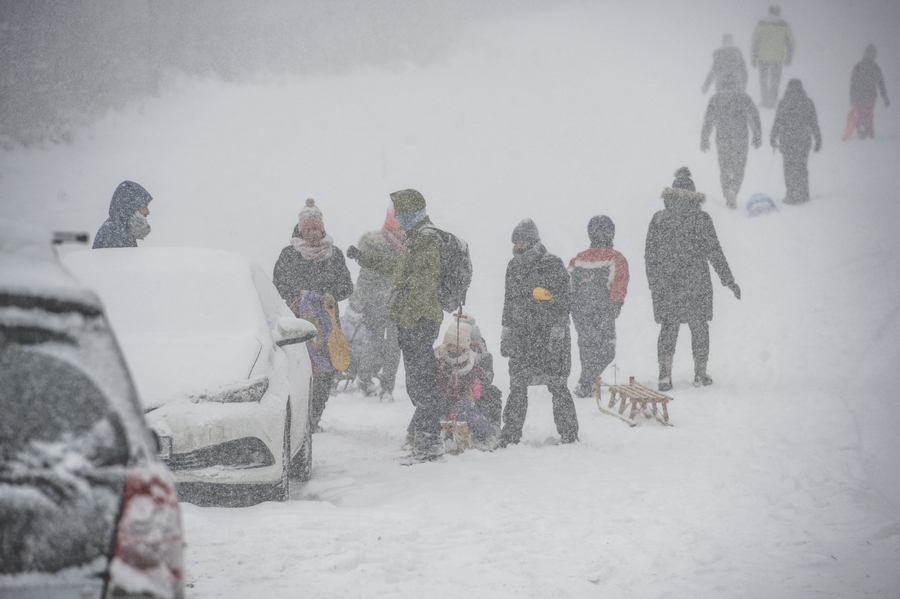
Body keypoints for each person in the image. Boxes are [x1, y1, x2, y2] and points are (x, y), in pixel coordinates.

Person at [346, 189, 445, 462]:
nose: (398, 220)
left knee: (422, 383)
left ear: (412, 214)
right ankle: (426, 441)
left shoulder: (426, 240)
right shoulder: (417, 240)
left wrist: (406, 319)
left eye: (401, 214)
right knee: (418, 383)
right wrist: (364, 258)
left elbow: (422, 285)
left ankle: (430, 445)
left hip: (419, 321)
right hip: (416, 320)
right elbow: (398, 268)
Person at [644, 168, 741, 391]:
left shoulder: (659, 219)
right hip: (696, 282)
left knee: (669, 327)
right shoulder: (701, 219)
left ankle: (664, 375)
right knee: (699, 328)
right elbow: (714, 252)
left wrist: (654, 283)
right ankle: (700, 373)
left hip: (668, 284)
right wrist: (728, 280)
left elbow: (650, 256)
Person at [273, 198, 353, 431]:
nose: (311, 233)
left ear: (322, 228)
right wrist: (296, 295)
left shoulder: (334, 254)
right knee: (299, 368)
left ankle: (314, 417)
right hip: (296, 322)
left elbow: (347, 286)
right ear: (300, 229)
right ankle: (299, 418)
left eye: (315, 228)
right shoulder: (288, 255)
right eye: (306, 228)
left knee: (324, 370)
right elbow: (277, 285)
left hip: (327, 324)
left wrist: (332, 294)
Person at [499, 219, 578, 446]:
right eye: (516, 242)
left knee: (558, 386)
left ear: (534, 241)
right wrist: (506, 331)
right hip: (522, 337)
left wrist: (551, 299)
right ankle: (511, 433)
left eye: (523, 241)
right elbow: (509, 302)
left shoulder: (552, 263)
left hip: (549, 336)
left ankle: (569, 434)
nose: (519, 246)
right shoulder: (512, 266)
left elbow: (567, 299)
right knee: (517, 386)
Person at [568, 215, 630, 398]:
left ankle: (586, 380)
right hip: (603, 309)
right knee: (607, 349)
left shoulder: (579, 259)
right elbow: (620, 281)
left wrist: (568, 303)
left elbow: (567, 282)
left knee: (586, 345)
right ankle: (587, 381)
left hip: (580, 310)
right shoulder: (616, 258)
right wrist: (616, 303)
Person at [351, 208, 406, 401]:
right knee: (374, 344)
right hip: (375, 306)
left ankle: (387, 388)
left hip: (397, 308)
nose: (403, 232)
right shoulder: (375, 247)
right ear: (390, 228)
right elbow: (365, 280)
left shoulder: (406, 250)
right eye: (399, 228)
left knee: (393, 347)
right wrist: (370, 300)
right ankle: (365, 379)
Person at [432, 320, 500, 449]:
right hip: (444, 396)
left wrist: (478, 383)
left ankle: (489, 432)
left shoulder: (477, 358)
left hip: (468, 397)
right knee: (429, 406)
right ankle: (416, 434)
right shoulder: (440, 359)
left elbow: (484, 376)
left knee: (483, 399)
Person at [701, 85, 762, 208]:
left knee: (724, 167)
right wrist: (757, 135)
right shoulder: (744, 97)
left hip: (723, 138)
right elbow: (754, 116)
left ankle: (727, 190)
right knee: (739, 167)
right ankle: (734, 189)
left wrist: (705, 138)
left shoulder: (716, 98)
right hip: (740, 138)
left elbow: (708, 119)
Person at [770, 79, 822, 205]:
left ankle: (791, 194)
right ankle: (803, 194)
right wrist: (818, 139)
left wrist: (773, 137)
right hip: (803, 141)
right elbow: (813, 122)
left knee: (789, 168)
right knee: (802, 167)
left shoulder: (784, 102)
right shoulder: (808, 102)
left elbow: (778, 122)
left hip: (787, 141)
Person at [751, 4, 795, 108]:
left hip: (763, 57)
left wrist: (754, 57)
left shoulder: (761, 23)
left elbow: (755, 41)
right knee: (775, 81)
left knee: (763, 81)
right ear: (778, 12)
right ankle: (772, 102)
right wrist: (788, 57)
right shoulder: (783, 24)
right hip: (777, 58)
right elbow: (791, 43)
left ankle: (765, 100)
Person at [92, 181, 153, 249]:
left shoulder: (119, 229)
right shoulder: (117, 235)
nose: (147, 212)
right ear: (130, 208)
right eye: (144, 207)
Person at [849, 44, 890, 139]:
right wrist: (885, 97)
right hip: (868, 96)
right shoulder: (873, 67)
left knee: (862, 115)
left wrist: (852, 97)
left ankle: (863, 132)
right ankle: (868, 133)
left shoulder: (859, 66)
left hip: (863, 96)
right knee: (867, 115)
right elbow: (881, 84)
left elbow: (853, 83)